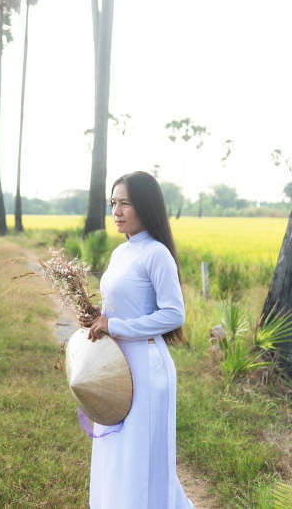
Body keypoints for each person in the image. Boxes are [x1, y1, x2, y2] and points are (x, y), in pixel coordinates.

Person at [81, 171, 195, 509]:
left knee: (140, 456)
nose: (116, 211)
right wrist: (98, 317)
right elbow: (123, 308)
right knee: (115, 452)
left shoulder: (156, 253)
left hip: (146, 369)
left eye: (125, 203)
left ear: (144, 206)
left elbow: (174, 315)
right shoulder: (121, 253)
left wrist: (114, 326)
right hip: (115, 367)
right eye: (113, 203)